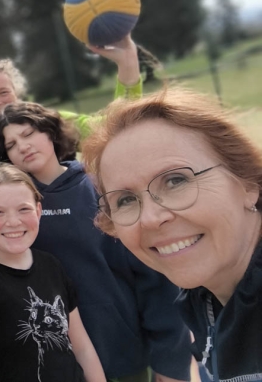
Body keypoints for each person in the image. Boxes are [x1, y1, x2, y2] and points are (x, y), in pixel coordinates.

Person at [0, 103, 192, 382]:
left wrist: (170, 363)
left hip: (123, 355)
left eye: (29, 133)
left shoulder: (101, 188)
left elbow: (152, 277)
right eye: (11, 144)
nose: (23, 146)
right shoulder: (9, 209)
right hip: (50, 365)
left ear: (50, 132)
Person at [81, 88, 262, 381]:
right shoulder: (206, 296)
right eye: (125, 200)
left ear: (248, 183)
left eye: (176, 180)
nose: (150, 219)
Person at [0, 164, 106, 382]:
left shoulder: (50, 265)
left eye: (24, 209)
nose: (13, 222)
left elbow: (82, 348)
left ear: (38, 211)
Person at [0, 35, 145, 170]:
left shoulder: (52, 122)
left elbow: (113, 128)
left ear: (18, 94)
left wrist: (127, 63)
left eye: (4, 92)